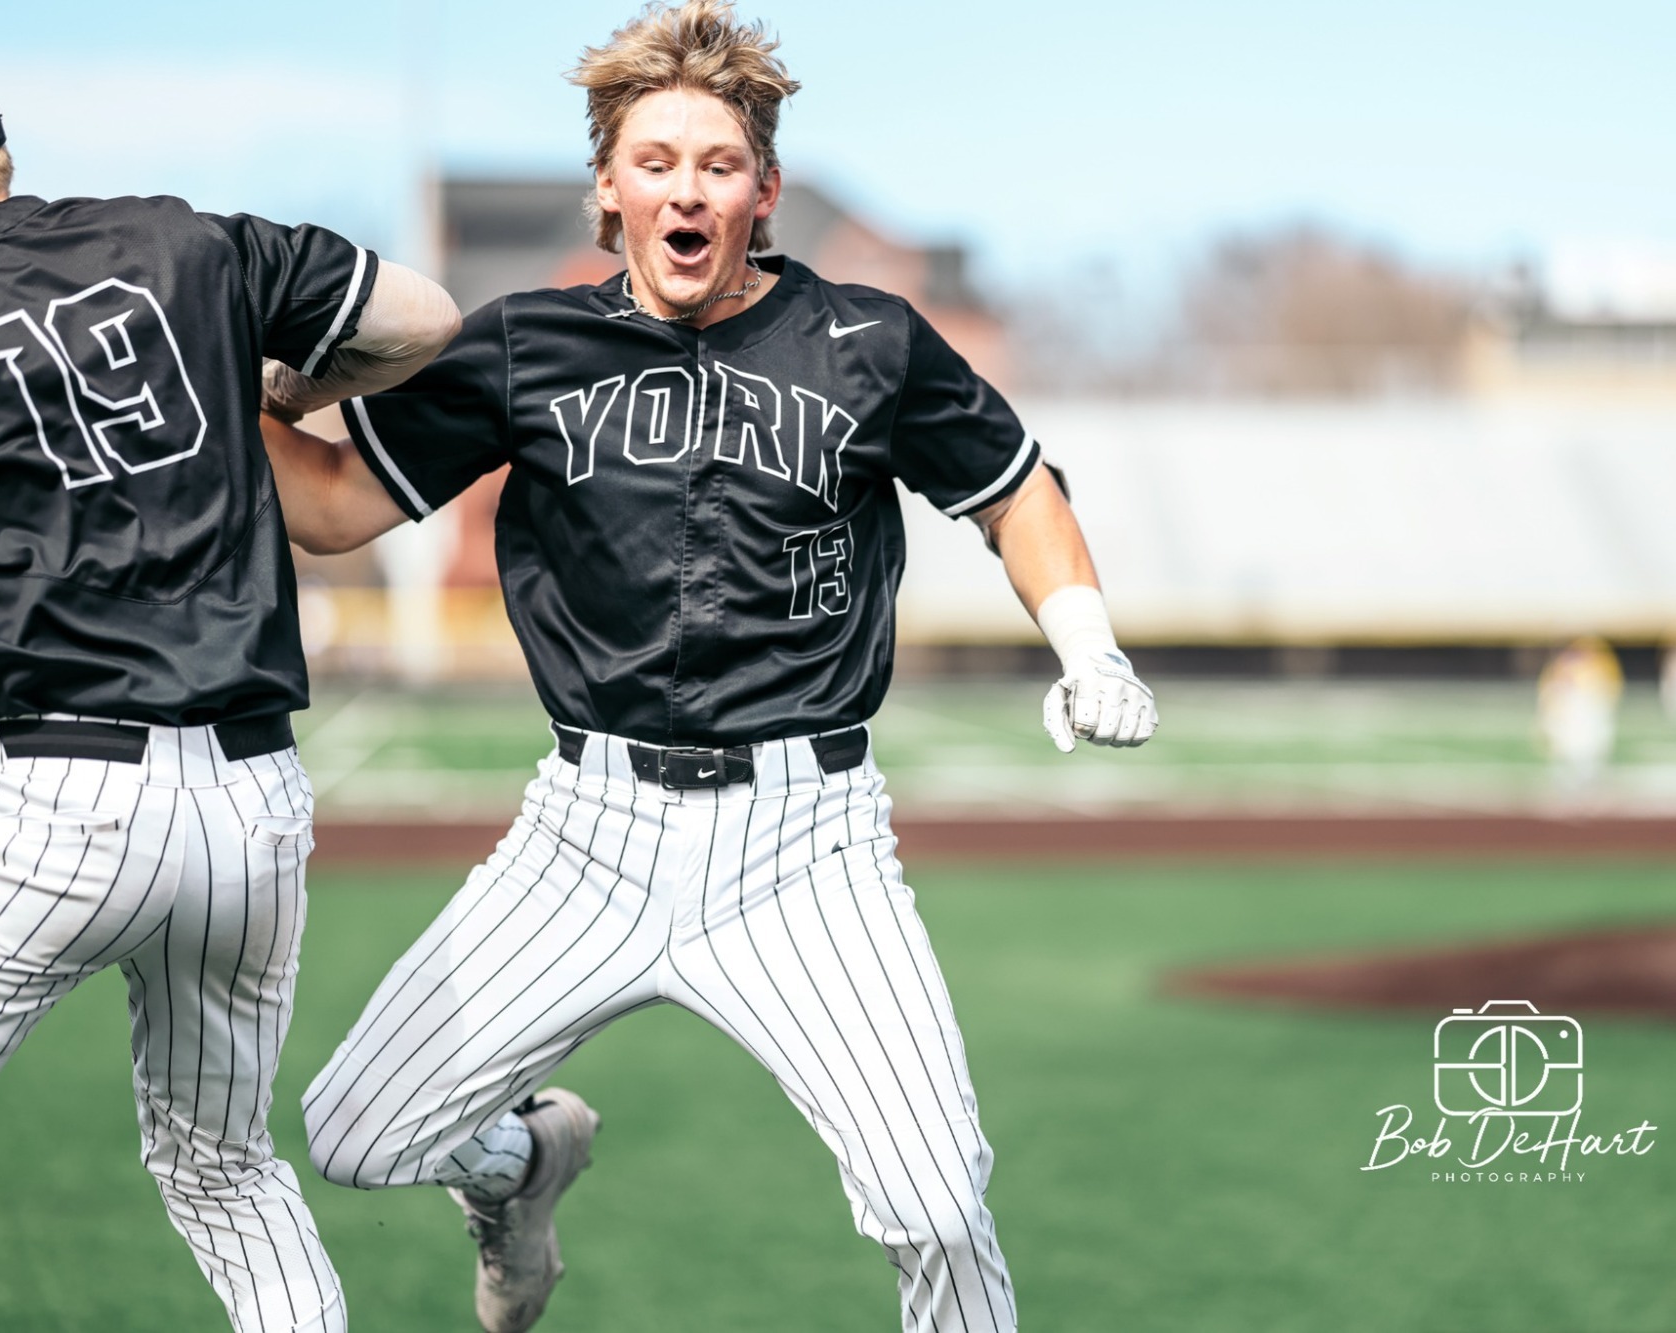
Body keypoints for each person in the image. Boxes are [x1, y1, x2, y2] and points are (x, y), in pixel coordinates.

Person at [260, 5, 1157, 1331]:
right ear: (609, 189)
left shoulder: (870, 340)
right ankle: (521, 1167)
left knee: (934, 1200)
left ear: (765, 192)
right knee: (356, 1135)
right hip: (588, 830)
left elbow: (1018, 492)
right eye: (658, 160)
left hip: (809, 840)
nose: (689, 187)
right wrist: (216, 392)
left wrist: (1089, 641)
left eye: (719, 164)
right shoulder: (524, 346)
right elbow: (334, 507)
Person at [0, 109, 459, 1331]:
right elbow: (422, 318)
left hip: (61, 793)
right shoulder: (179, 238)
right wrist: (285, 384)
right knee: (222, 1166)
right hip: (253, 807)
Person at [1536, 637, 1623, 791]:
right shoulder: (1563, 673)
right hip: (1572, 727)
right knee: (1568, 768)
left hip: (1586, 724)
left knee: (1588, 767)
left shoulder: (1594, 672)